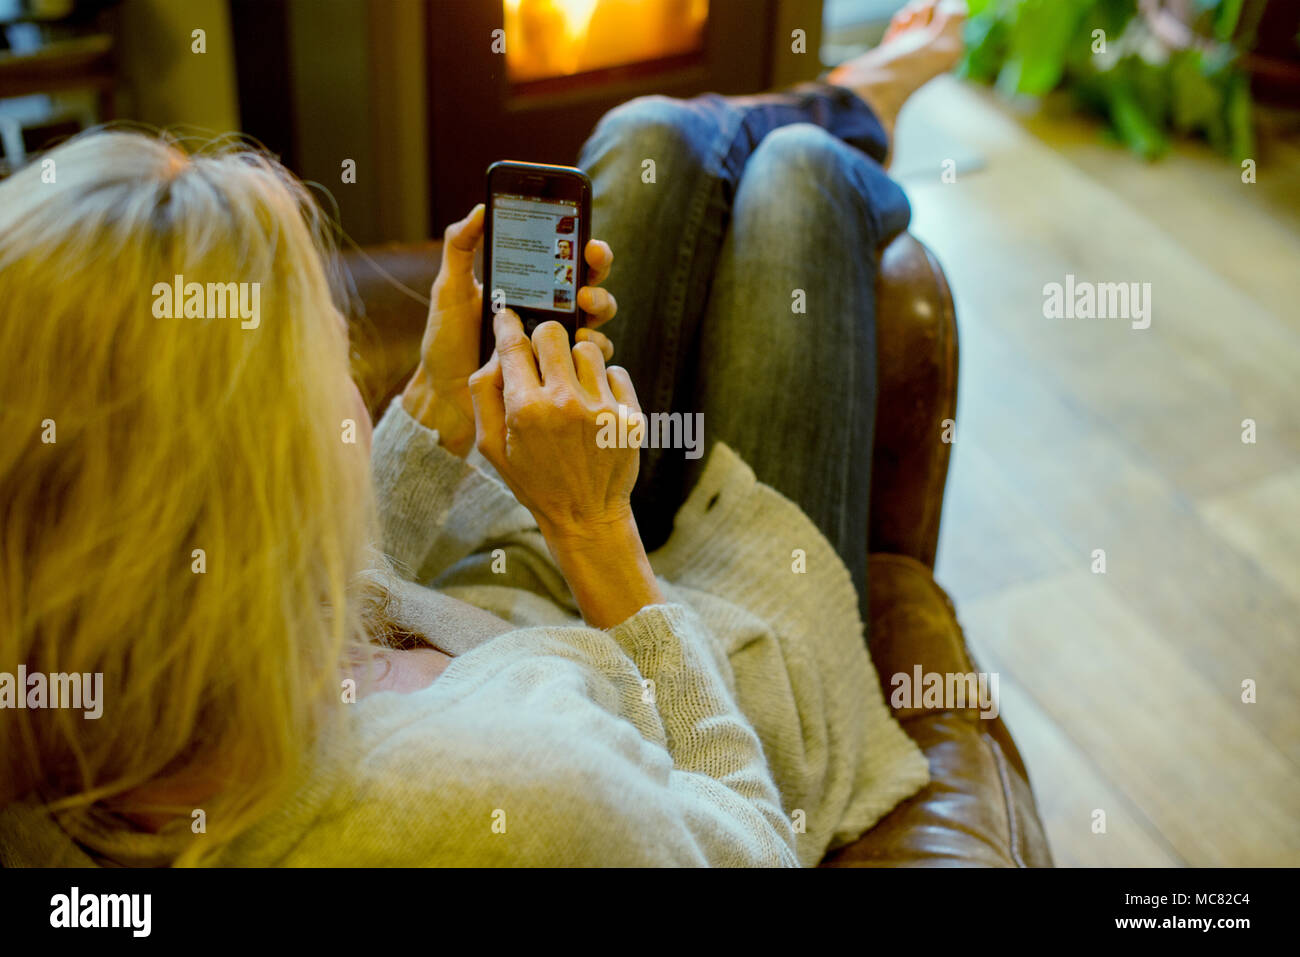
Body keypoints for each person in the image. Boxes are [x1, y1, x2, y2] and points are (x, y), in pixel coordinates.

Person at [0, 0, 964, 867]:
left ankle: (845, 95)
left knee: (644, 139)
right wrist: (595, 533)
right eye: (329, 353)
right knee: (798, 177)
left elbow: (321, 580)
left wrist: (434, 396)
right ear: (279, 480)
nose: (346, 372)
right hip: (727, 666)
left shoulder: (128, 688)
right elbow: (746, 844)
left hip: (547, 559)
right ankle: (856, 104)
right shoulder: (512, 804)